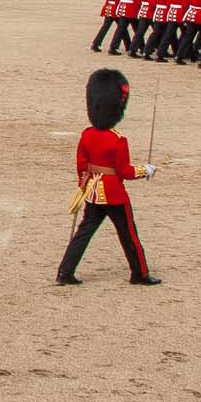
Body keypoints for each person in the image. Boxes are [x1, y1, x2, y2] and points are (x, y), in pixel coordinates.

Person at [57, 68, 160, 286]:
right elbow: (125, 172)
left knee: (84, 233)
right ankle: (139, 273)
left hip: (93, 191)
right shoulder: (118, 140)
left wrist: (83, 185)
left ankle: (65, 271)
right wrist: (146, 170)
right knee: (128, 234)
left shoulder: (87, 135)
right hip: (113, 194)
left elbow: (82, 166)